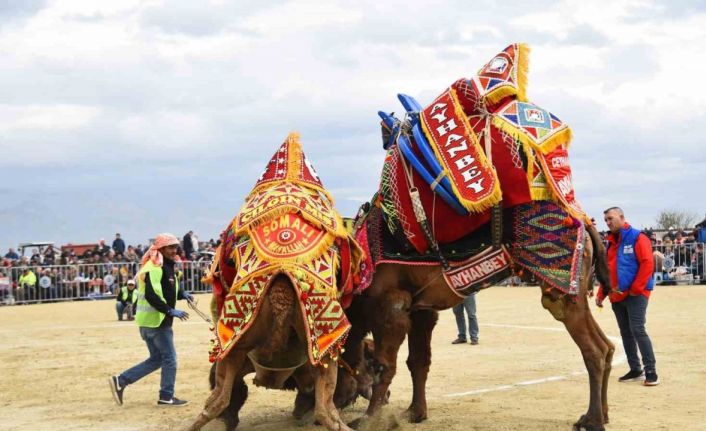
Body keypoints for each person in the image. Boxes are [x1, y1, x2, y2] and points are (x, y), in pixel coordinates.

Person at [108, 233, 194, 406]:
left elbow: (167, 289)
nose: (174, 250)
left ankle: (121, 380)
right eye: (170, 247)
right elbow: (152, 294)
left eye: (175, 247)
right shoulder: (155, 268)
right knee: (170, 359)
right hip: (158, 322)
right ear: (160, 249)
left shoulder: (165, 267)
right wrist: (170, 310)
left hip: (150, 322)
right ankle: (166, 396)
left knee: (157, 359)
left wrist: (181, 294)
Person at [596, 207, 659, 386]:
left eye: (611, 218)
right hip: (617, 296)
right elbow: (608, 271)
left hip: (635, 294)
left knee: (638, 329)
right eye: (606, 220)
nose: (608, 222)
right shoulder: (610, 243)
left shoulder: (638, 237)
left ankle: (651, 371)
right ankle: (635, 368)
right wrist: (602, 293)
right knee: (626, 333)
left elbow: (647, 264)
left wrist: (635, 289)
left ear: (622, 217)